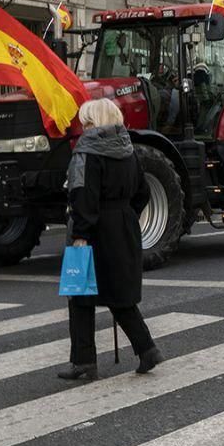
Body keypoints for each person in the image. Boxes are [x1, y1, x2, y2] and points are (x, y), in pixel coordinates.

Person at [59, 98, 162, 380]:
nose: (83, 127)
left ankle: (83, 361)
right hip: (124, 225)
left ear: (94, 123)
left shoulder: (87, 152)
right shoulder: (128, 150)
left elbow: (83, 195)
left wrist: (80, 232)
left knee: (80, 295)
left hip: (93, 229)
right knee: (120, 295)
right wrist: (126, 214)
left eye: (86, 122)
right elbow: (143, 191)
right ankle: (147, 349)